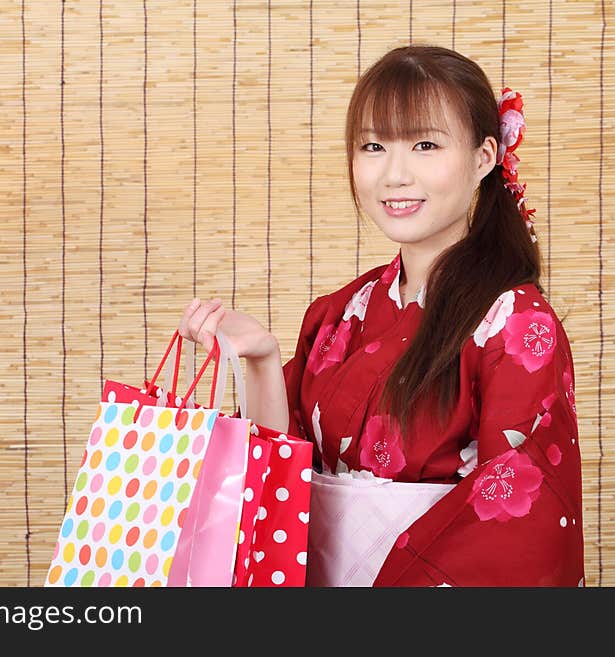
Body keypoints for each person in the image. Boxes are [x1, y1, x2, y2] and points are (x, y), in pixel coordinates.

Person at [179, 44, 584, 586]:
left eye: (424, 145)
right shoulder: (339, 313)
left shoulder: (515, 325)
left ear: (485, 157)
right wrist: (261, 359)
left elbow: (516, 529)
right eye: (374, 146)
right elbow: (282, 482)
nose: (394, 175)